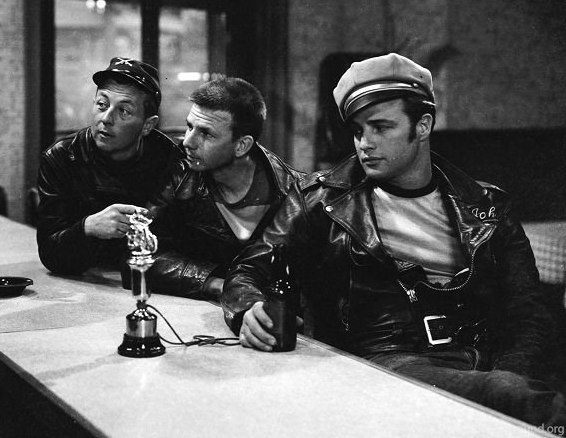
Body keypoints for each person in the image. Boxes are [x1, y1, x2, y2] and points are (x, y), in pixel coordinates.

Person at [222, 53, 566, 427]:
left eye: (381, 127)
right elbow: (248, 270)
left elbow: (527, 311)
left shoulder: (486, 205)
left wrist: (511, 375)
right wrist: (248, 309)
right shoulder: (321, 202)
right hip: (385, 362)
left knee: (521, 395)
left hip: (488, 363)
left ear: (423, 125)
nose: (364, 143)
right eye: (358, 131)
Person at [146, 77, 302, 300]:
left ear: (242, 146)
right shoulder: (181, 175)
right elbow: (139, 254)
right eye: (189, 127)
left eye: (206, 134)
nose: (188, 141)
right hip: (200, 311)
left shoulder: (294, 194)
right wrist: (214, 284)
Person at [37, 57, 183, 276]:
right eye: (102, 105)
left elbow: (180, 242)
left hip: (148, 277)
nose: (106, 118)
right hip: (88, 281)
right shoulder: (62, 157)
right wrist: (88, 227)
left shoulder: (169, 159)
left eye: (123, 111)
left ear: (147, 125)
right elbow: (50, 253)